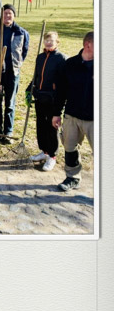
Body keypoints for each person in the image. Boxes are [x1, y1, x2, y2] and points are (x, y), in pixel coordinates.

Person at [54, 31, 93, 192]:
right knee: (69, 147)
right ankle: (72, 177)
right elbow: (61, 91)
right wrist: (57, 113)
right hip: (71, 116)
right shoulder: (70, 64)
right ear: (88, 45)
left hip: (95, 119)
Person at [0, 3, 30, 141]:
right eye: (5, 13)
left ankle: (8, 131)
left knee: (10, 103)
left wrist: (17, 63)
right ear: (1, 15)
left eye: (10, 13)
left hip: (12, 72)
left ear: (14, 15)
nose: (7, 16)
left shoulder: (21, 33)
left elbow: (24, 51)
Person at [26, 31, 66, 172]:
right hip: (39, 96)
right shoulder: (40, 57)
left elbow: (63, 82)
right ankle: (44, 151)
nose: (49, 42)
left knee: (51, 127)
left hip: (52, 99)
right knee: (41, 125)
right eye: (47, 40)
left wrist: (58, 95)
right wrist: (29, 89)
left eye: (52, 40)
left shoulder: (61, 59)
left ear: (57, 42)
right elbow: (36, 76)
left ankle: (52, 156)